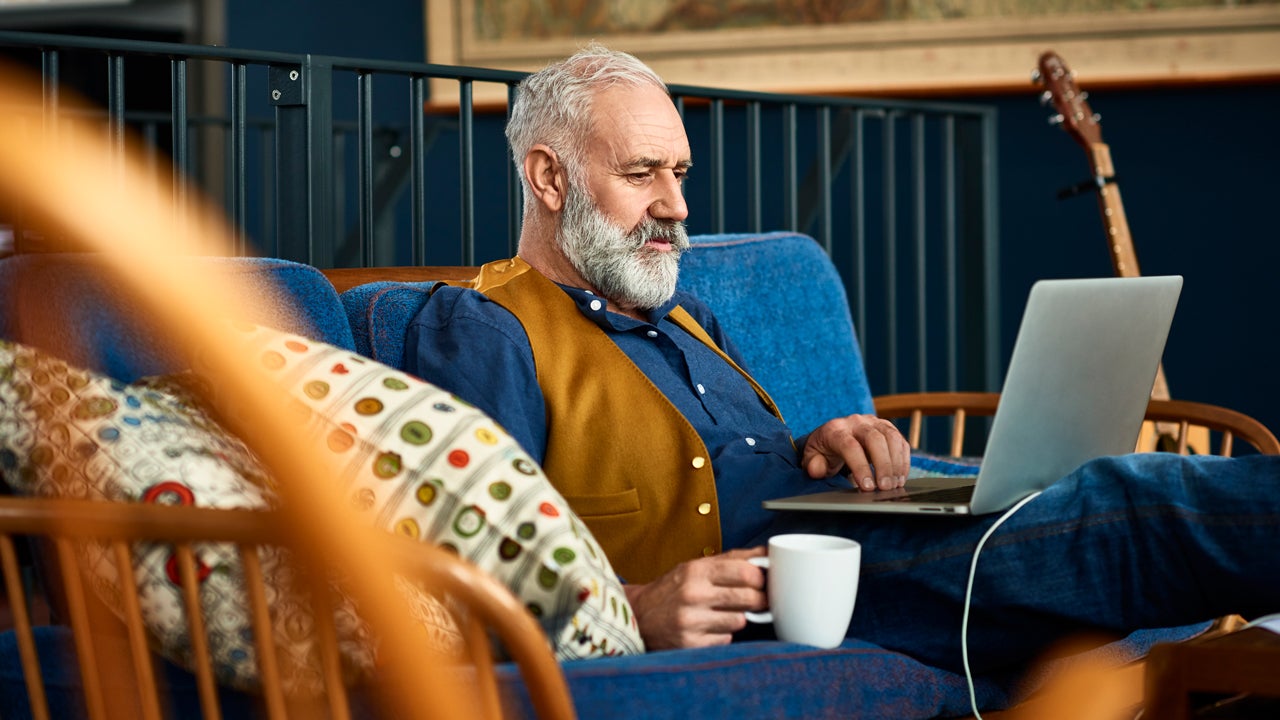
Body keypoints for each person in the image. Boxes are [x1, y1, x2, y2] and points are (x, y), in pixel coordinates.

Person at [405, 44, 1280, 678]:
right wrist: (631, 607)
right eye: (642, 174)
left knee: (1085, 486)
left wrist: (824, 441)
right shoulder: (483, 328)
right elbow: (457, 564)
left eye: (680, 171)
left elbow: (744, 462)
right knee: (1129, 506)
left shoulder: (685, 314)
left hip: (851, 530)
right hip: (787, 583)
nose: (675, 206)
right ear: (549, 179)